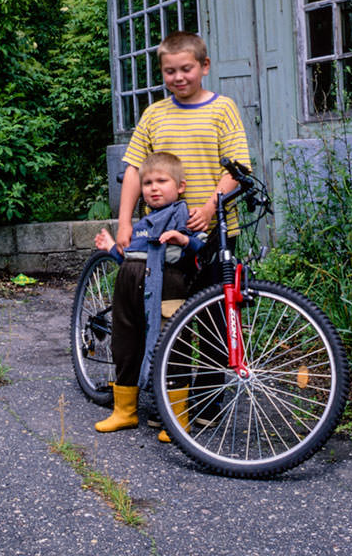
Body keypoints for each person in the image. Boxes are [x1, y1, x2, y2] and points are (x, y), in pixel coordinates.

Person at [97, 31, 252, 438]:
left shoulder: (223, 110)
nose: (179, 77)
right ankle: (133, 403)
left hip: (213, 234)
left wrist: (209, 208)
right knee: (155, 317)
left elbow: (237, 169)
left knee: (214, 321)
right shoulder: (154, 115)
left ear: (204, 66)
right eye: (170, 71)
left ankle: (200, 407)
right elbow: (133, 168)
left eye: (186, 69)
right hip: (158, 237)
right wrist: (125, 221)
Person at [92, 152, 205, 439]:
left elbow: (200, 248)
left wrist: (183, 240)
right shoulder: (143, 221)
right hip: (128, 288)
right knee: (125, 343)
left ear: (180, 186)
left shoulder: (182, 215)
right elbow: (131, 256)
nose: (153, 188)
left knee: (172, 346)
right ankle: (124, 411)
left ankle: (176, 419)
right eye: (147, 183)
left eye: (161, 181)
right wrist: (111, 248)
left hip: (167, 285)